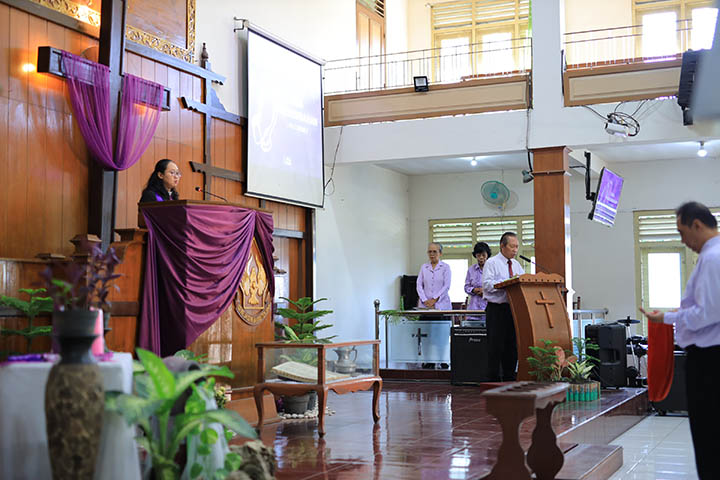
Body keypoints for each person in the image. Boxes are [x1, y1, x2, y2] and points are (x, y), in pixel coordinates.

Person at [640, 201, 720, 480]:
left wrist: (669, 318)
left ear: (697, 225)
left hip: (710, 357)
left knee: (709, 434)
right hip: (711, 354)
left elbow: (709, 312)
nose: (683, 241)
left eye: (682, 232)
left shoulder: (713, 257)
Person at [482, 232, 525, 381]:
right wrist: (506, 284)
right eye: (512, 246)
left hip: (513, 310)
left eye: (517, 247)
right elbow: (487, 285)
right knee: (496, 346)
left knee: (511, 346)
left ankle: (509, 378)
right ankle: (493, 381)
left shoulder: (517, 265)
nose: (515, 250)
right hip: (496, 309)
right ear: (502, 246)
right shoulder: (492, 263)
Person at [416, 242, 452, 310]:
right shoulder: (424, 267)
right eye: (430, 252)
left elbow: (446, 286)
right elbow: (419, 285)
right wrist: (425, 300)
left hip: (442, 305)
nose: (432, 254)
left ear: (440, 253)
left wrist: (434, 299)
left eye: (435, 252)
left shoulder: (445, 267)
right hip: (425, 305)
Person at [465, 242, 491, 319]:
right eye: (478, 255)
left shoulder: (492, 269)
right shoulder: (471, 270)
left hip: (488, 309)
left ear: (487, 255)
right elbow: (466, 287)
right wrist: (474, 290)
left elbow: (497, 286)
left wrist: (485, 291)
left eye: (483, 255)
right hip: (473, 309)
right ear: (475, 255)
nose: (481, 258)